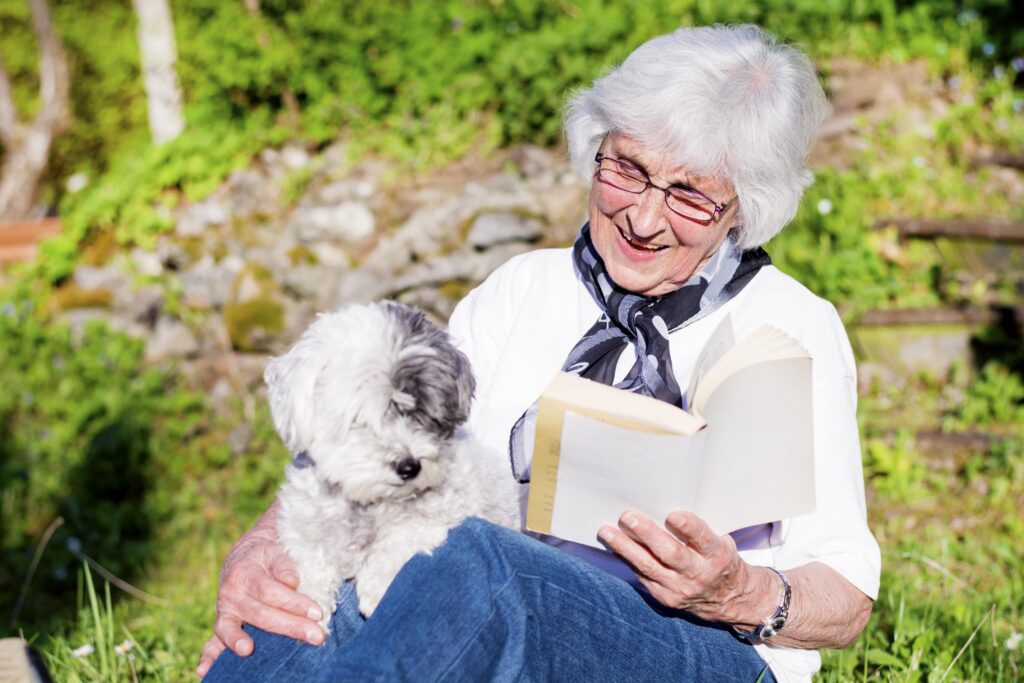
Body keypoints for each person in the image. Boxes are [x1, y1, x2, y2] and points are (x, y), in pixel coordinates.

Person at [197, 24, 880, 683]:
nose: (643, 218)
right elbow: (385, 446)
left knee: (473, 562)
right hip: (486, 610)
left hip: (701, 652)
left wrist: (738, 591)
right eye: (628, 170)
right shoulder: (521, 289)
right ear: (595, 147)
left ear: (742, 208)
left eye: (690, 197)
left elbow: (848, 600)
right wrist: (261, 547)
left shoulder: (793, 326)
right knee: (326, 595)